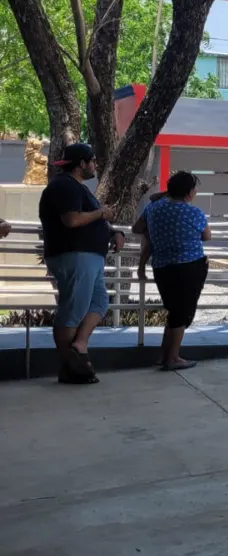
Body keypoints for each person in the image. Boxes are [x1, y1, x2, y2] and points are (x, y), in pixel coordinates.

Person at [38, 143, 123, 384]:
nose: (95, 165)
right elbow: (72, 220)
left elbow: (89, 218)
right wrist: (103, 213)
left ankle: (79, 345)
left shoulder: (77, 188)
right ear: (81, 164)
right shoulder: (65, 185)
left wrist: (114, 231)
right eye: (92, 161)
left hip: (88, 257)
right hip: (75, 255)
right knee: (73, 310)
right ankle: (71, 367)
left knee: (99, 302)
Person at [134, 171, 210, 371]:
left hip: (162, 266)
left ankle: (165, 354)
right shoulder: (193, 212)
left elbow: (137, 227)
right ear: (189, 192)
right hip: (189, 266)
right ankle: (173, 358)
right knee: (182, 313)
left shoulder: (154, 208)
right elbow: (206, 236)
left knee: (174, 310)